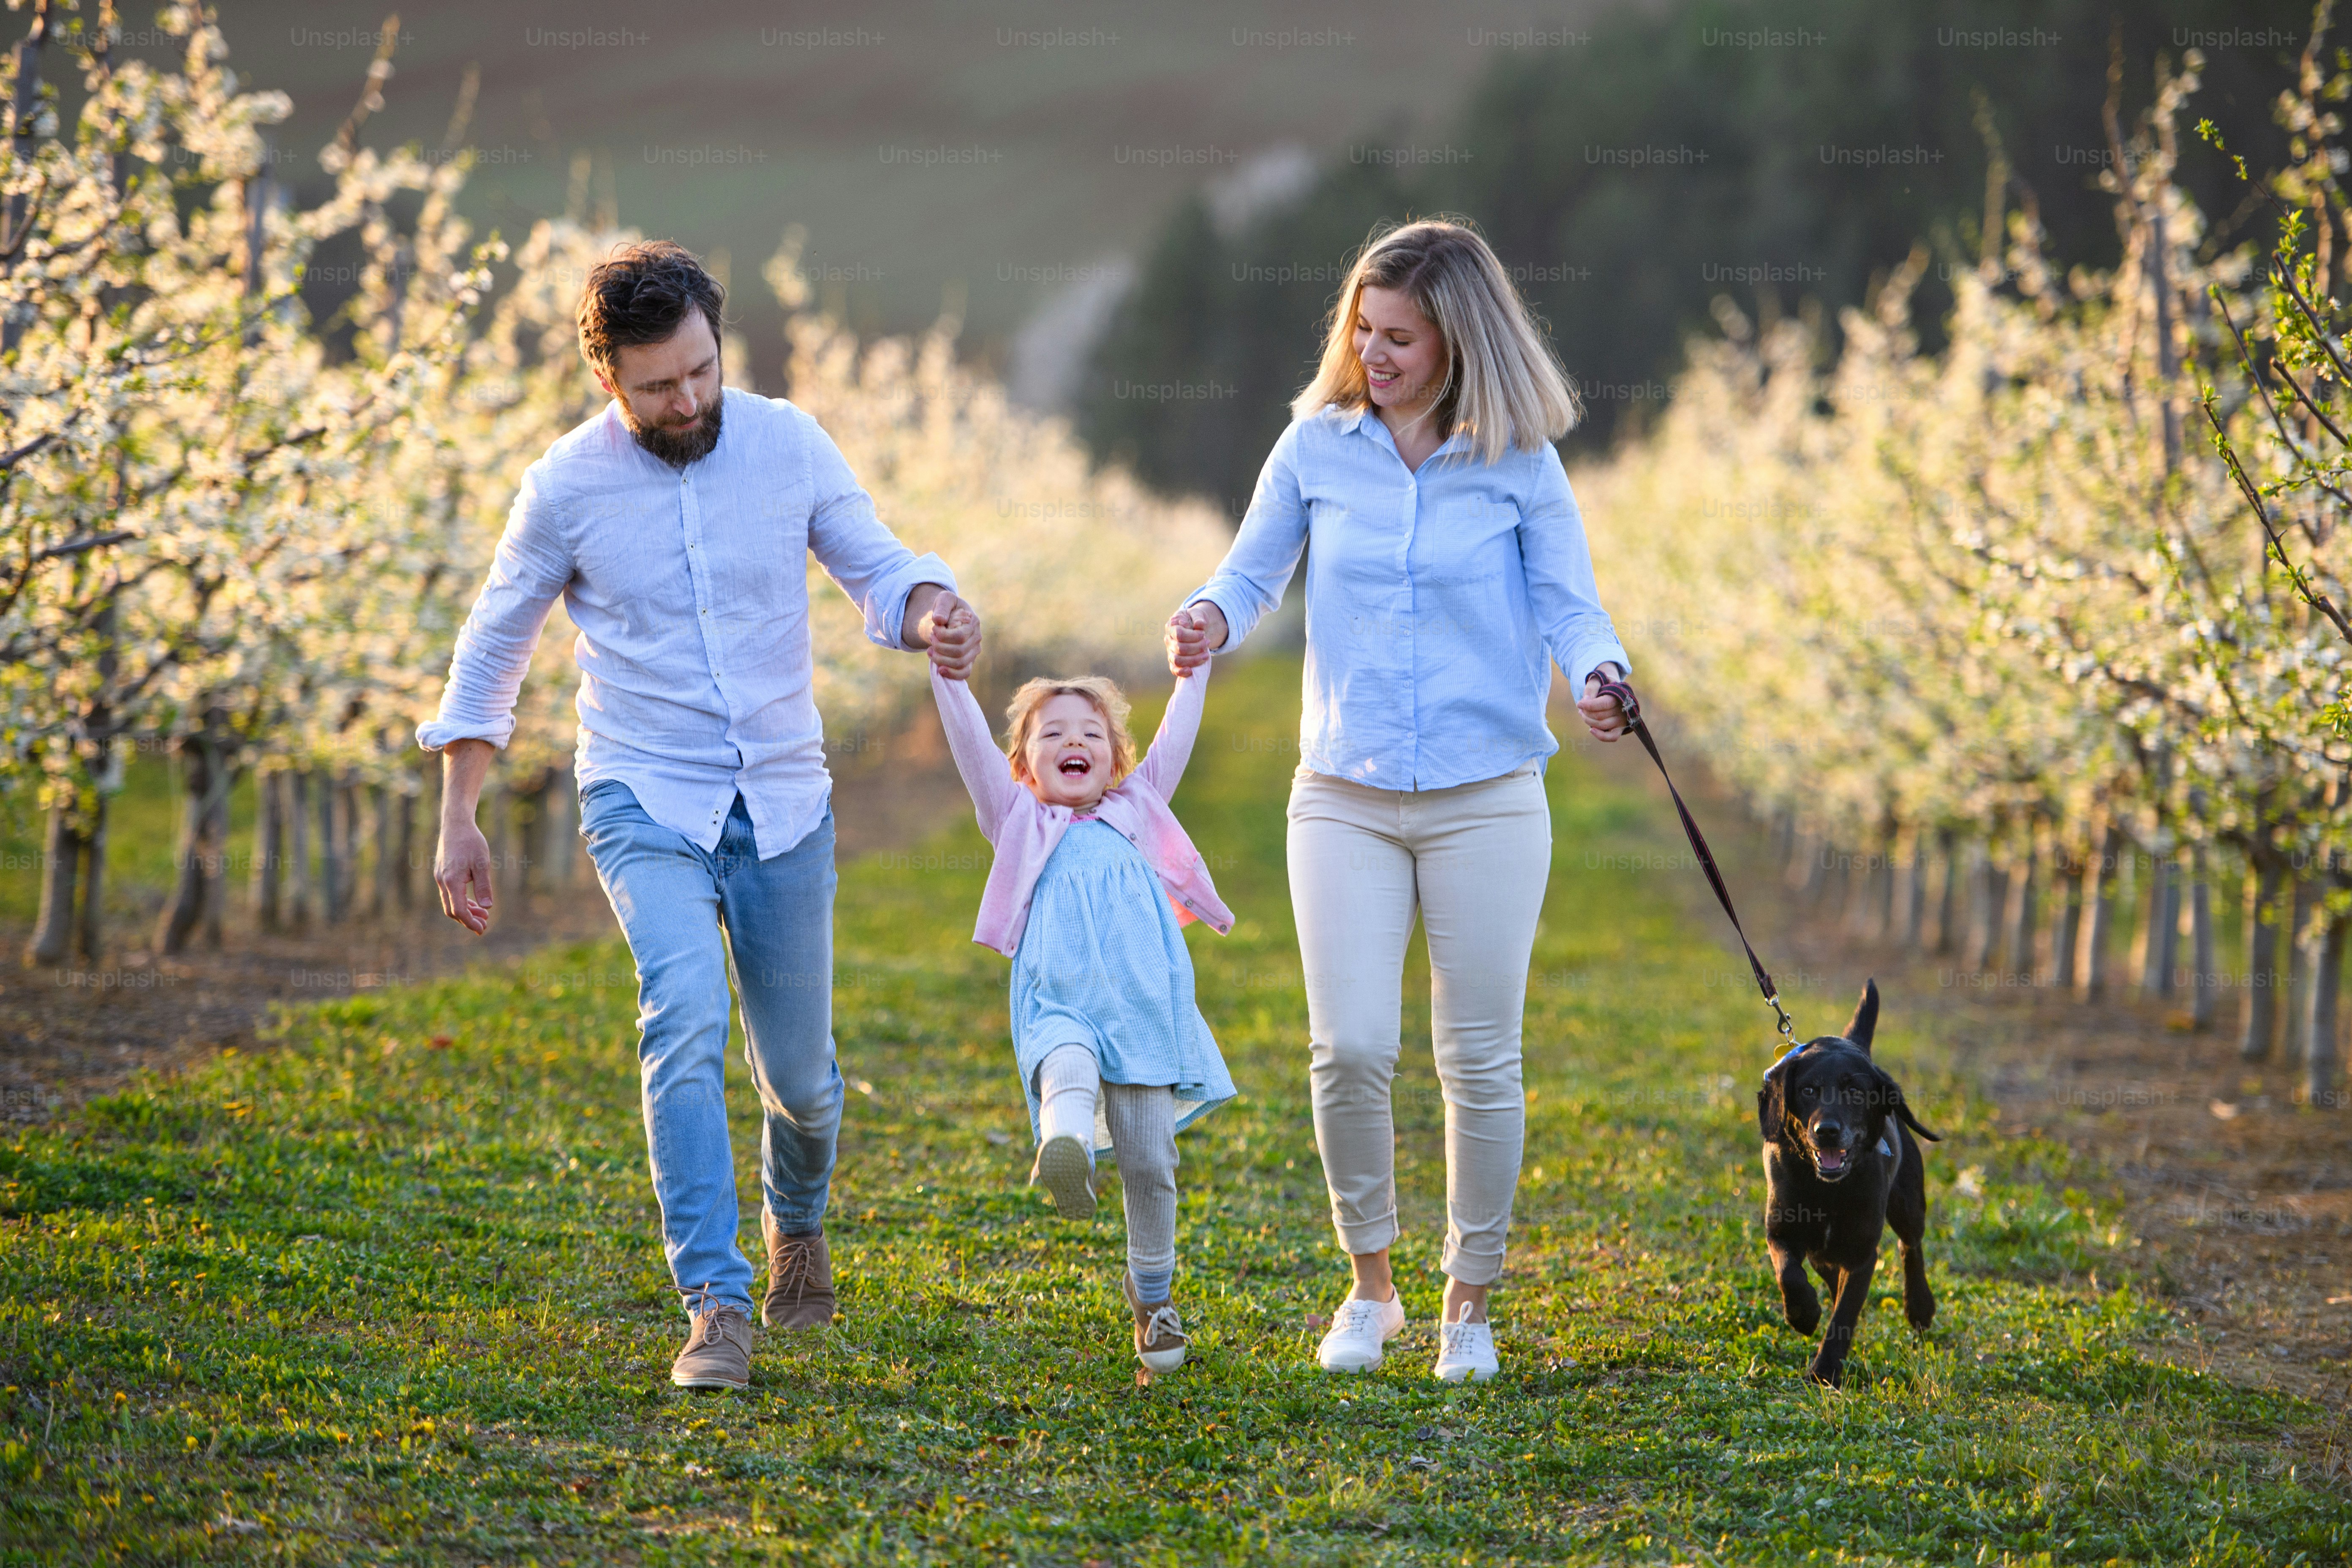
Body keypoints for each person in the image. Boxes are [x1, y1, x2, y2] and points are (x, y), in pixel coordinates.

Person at [419, 240, 980, 1392]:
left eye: (702, 372)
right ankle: (713, 1303)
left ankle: (798, 1227)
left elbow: (876, 566)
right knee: (680, 1017)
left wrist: (930, 610)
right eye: (660, 386)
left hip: (781, 794)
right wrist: (460, 813)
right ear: (609, 380)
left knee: (806, 1084)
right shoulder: (564, 488)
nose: (689, 402)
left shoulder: (787, 443)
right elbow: (494, 645)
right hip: (642, 789)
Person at [1167, 218, 1631, 1383]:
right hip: (1343, 792)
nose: (1375, 355)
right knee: (1351, 1046)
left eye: (1402, 339)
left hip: (1488, 795)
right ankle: (1370, 1288)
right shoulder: (1315, 448)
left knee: (1479, 1058)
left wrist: (1599, 674)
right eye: (1364, 331)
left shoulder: (1521, 461)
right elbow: (1251, 569)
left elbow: (1573, 606)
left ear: (1460, 342)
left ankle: (1467, 1303)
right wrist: (1210, 618)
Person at [927, 610, 1235, 1374]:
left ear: (1118, 760)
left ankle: (1153, 1297)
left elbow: (1177, 737)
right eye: (1053, 734)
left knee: (1149, 1158)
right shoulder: (1018, 819)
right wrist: (950, 679)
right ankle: (1062, 1138)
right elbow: (969, 748)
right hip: (1058, 1001)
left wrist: (1192, 671)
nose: (1074, 743)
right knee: (1066, 1060)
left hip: (1143, 1012)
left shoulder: (1141, 807)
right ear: (1025, 766)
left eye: (1092, 734)